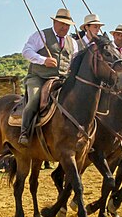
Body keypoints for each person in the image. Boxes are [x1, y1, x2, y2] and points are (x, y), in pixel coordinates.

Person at [19, 8, 78, 145]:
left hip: (62, 79)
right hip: (39, 77)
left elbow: (74, 60)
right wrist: (43, 60)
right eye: (62, 24)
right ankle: (25, 132)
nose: (65, 27)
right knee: (34, 98)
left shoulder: (73, 42)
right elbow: (26, 51)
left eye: (67, 25)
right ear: (55, 22)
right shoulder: (41, 35)